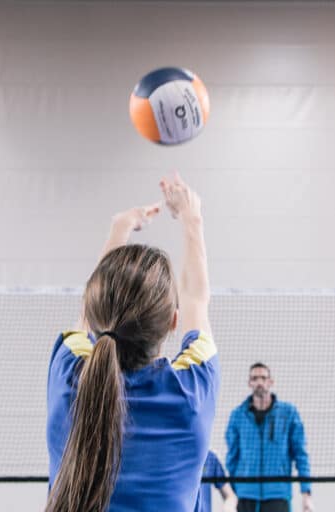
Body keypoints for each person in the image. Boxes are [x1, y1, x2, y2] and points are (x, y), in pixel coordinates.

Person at [46, 173, 219, 512]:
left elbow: (90, 307)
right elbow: (197, 299)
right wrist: (190, 218)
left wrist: (119, 230)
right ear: (173, 321)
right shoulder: (192, 391)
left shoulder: (68, 376)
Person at [226, 363, 313, 512]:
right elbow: (232, 457)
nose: (259, 382)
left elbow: (300, 455)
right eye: (255, 378)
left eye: (263, 378)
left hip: (278, 495)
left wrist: (306, 495)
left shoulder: (288, 414)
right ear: (249, 383)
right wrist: (234, 492)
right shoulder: (238, 416)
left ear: (270, 382)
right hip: (246, 496)